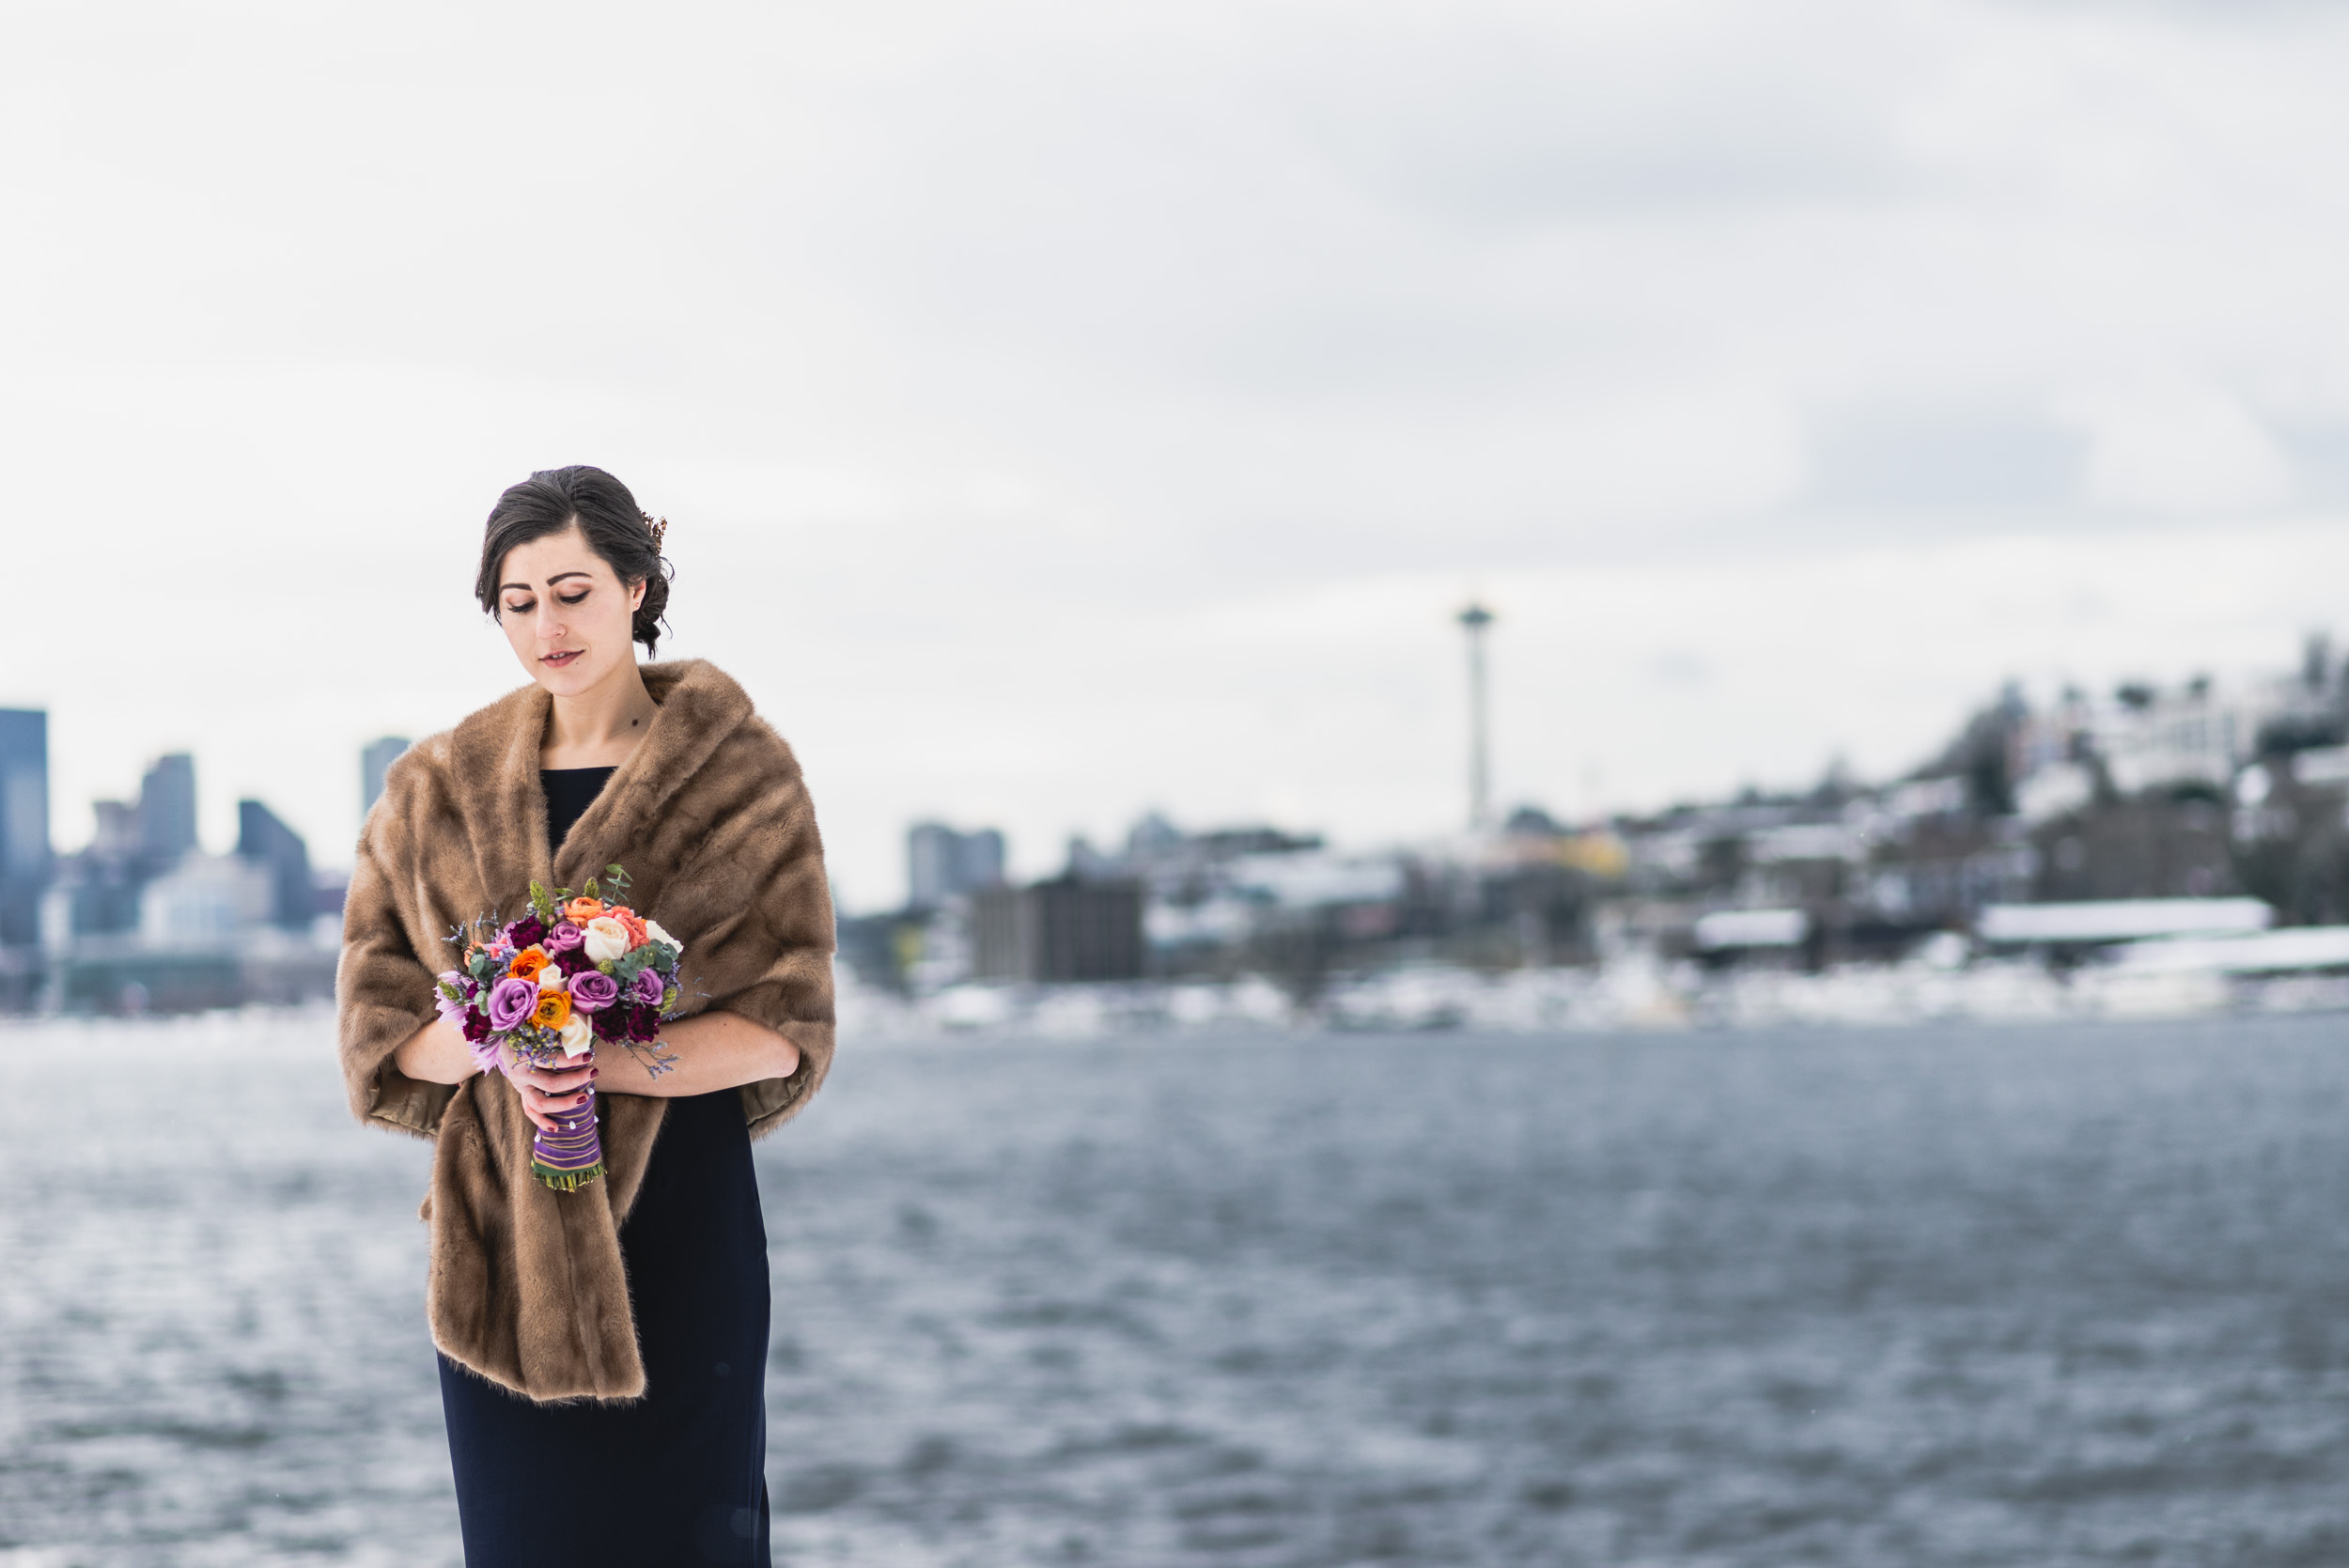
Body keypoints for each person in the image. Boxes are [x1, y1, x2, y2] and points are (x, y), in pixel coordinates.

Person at [336, 465, 835, 1567]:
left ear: (638, 586)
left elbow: (785, 1027)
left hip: (684, 1234)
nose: (547, 626)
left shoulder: (742, 778)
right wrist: (498, 1037)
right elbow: (378, 1036)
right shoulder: (435, 789)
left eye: (573, 591)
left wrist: (598, 1060)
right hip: (503, 1249)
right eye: (518, 603)